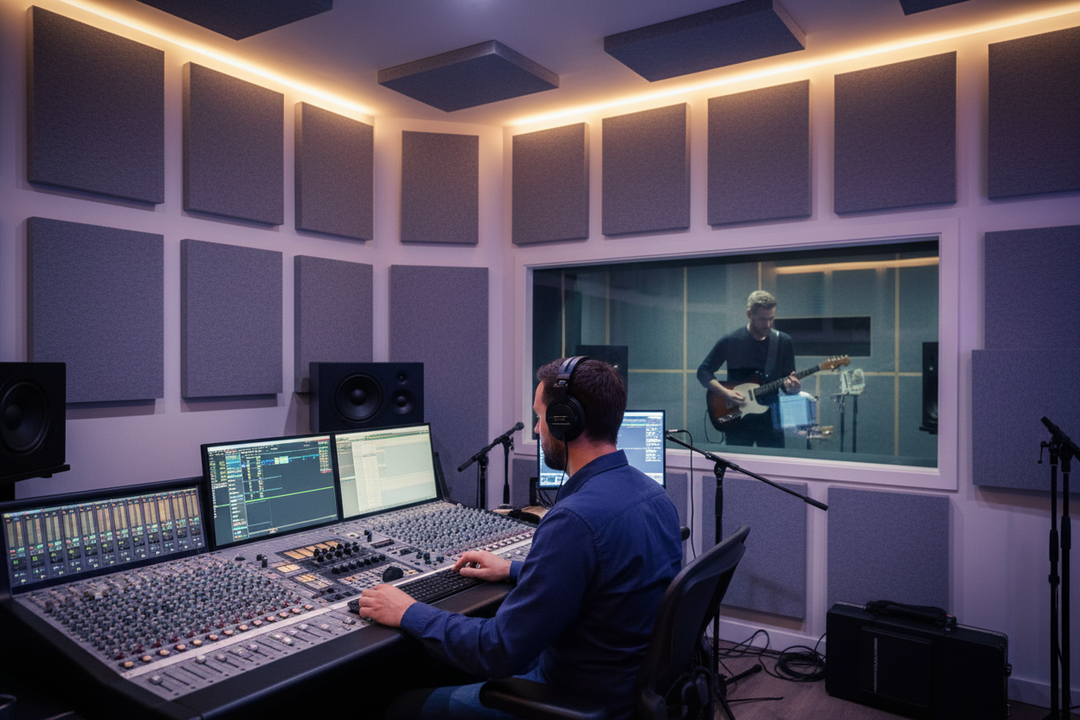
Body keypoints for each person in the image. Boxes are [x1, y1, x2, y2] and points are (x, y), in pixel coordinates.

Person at [356, 356, 683, 719]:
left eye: (541, 417)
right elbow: (603, 578)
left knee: (400, 707)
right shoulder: (655, 496)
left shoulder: (573, 521)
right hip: (623, 689)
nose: (539, 429)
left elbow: (498, 650)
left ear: (565, 420)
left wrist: (408, 611)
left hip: (574, 700)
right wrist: (513, 569)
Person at [697, 290, 801, 447]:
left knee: (772, 467)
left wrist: (793, 388)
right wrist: (726, 393)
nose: (767, 324)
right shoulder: (731, 340)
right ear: (749, 314)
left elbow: (787, 383)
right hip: (738, 419)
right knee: (736, 468)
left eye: (771, 319)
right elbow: (703, 372)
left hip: (771, 422)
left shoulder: (783, 341)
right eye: (762, 319)